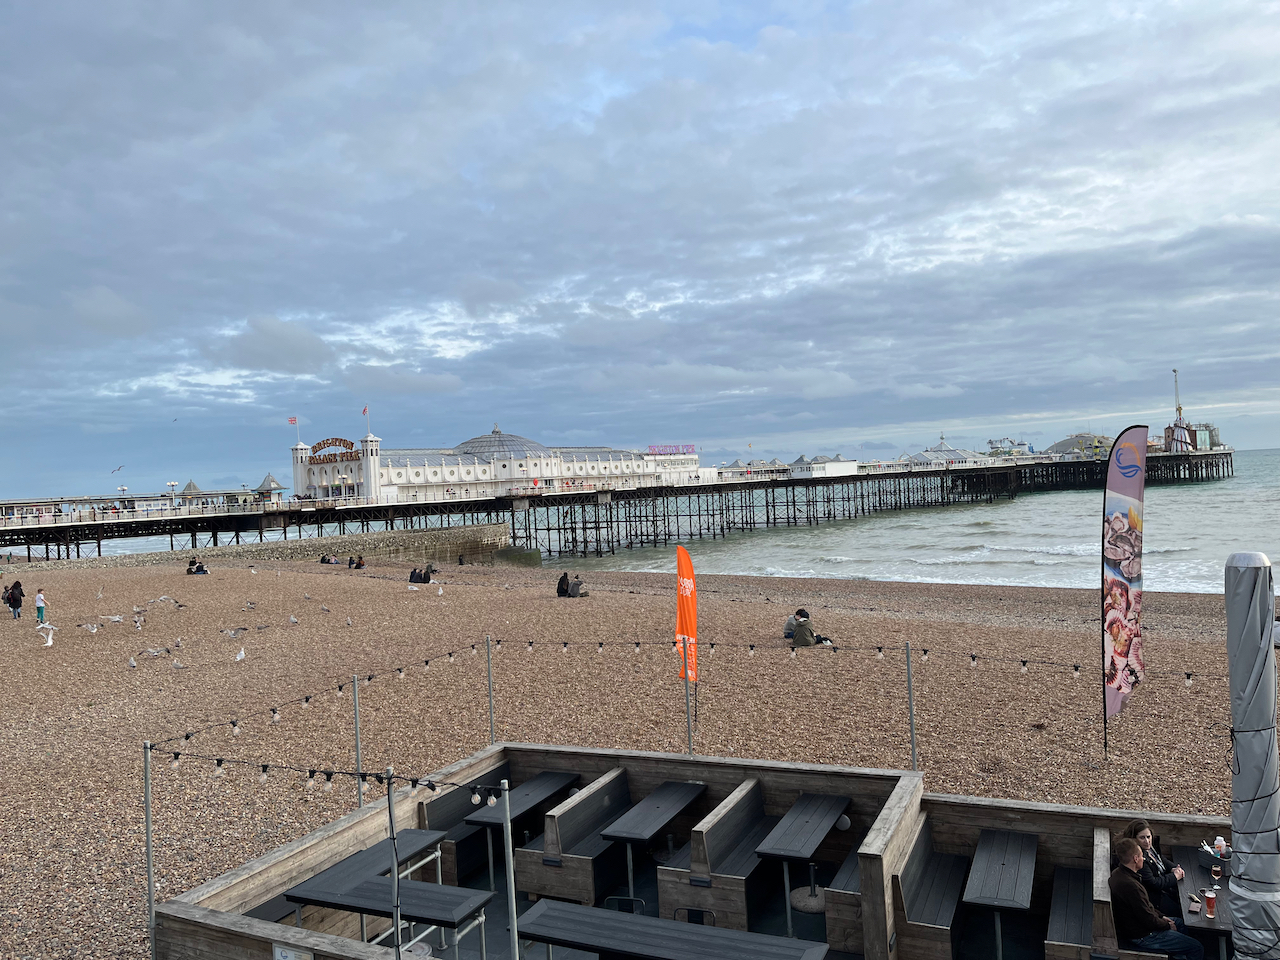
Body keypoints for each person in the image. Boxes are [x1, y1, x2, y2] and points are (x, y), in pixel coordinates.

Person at [1110, 837, 1202, 960]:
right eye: (1142, 856)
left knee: (1180, 923)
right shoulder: (1131, 886)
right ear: (1135, 859)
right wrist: (1166, 925)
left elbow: (1146, 907)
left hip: (1139, 925)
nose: (1144, 858)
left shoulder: (1119, 873)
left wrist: (1162, 916)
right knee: (1197, 947)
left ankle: (1178, 954)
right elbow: (1147, 919)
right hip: (1143, 935)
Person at [1125, 819, 1184, 915]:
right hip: (1157, 898)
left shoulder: (1150, 847)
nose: (1147, 841)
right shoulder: (1139, 859)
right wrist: (1174, 876)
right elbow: (1154, 883)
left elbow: (1160, 858)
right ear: (1134, 839)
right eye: (1142, 838)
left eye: (1148, 837)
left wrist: (1173, 868)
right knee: (1183, 910)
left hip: (1166, 887)